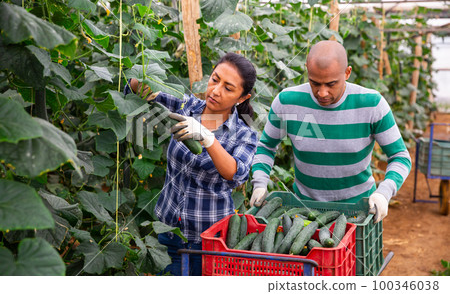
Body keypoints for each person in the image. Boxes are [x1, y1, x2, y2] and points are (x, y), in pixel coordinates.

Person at [250, 40, 411, 224]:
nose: (322, 93)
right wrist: (260, 182)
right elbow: (266, 147)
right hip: (303, 213)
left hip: (359, 213)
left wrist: (384, 192)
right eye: (315, 83)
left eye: (331, 84)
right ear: (307, 70)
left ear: (347, 73)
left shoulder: (372, 104)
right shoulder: (287, 102)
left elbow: (400, 156)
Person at [125, 52, 258, 275]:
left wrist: (208, 139)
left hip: (210, 243)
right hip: (168, 233)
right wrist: (143, 81)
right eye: (215, 79)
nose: (216, 91)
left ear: (242, 98)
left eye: (228, 88)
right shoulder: (185, 106)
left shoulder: (244, 134)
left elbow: (236, 173)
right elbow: (137, 88)